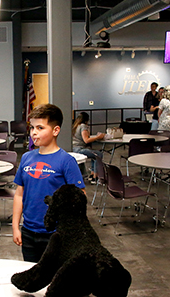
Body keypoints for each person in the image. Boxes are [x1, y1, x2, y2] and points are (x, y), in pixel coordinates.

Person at [12, 103, 86, 263]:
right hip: (29, 232)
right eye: (32, 128)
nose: (34, 133)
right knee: (33, 276)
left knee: (55, 280)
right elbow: (19, 194)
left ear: (55, 130)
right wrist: (15, 227)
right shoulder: (26, 158)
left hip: (56, 233)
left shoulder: (66, 161)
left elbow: (80, 198)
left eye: (40, 128)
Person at [71, 112, 104, 184]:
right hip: (80, 149)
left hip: (73, 148)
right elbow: (86, 140)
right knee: (98, 154)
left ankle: (92, 174)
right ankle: (95, 177)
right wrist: (98, 137)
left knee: (94, 154)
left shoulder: (75, 126)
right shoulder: (83, 126)